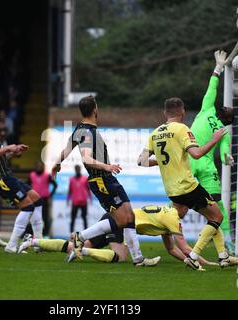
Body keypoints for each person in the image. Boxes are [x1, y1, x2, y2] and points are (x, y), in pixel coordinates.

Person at [52, 95, 160, 266]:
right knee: (121, 220)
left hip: (107, 178)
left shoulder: (80, 129)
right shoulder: (87, 132)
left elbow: (66, 150)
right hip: (101, 179)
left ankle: (138, 259)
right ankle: (81, 237)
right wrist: (106, 166)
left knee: (129, 216)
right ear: (95, 109)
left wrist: (55, 165)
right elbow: (86, 158)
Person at [137, 96, 238, 270]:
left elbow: (141, 161)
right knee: (217, 216)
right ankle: (194, 256)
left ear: (165, 113)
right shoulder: (182, 129)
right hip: (187, 186)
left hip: (171, 190)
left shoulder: (154, 134)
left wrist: (161, 162)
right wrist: (215, 139)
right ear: (183, 111)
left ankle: (223, 256)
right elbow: (196, 153)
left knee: (210, 216)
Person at [19, 206, 217, 268]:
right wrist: (205, 262)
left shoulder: (166, 216)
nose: (188, 212)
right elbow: (183, 247)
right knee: (120, 258)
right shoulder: (173, 218)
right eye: (188, 208)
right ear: (180, 207)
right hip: (121, 224)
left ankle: (33, 241)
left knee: (73, 245)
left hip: (115, 220)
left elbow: (172, 249)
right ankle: (84, 250)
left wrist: (192, 261)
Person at [189, 50, 235, 253]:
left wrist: (227, 157)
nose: (228, 107)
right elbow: (212, 88)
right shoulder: (207, 108)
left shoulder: (224, 132)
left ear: (228, 119)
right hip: (190, 158)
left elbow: (225, 151)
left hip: (206, 165)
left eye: (230, 110)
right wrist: (218, 68)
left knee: (218, 206)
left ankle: (228, 244)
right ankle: (173, 238)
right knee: (179, 206)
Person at [0, 112, 44, 254]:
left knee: (37, 200)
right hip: (1, 179)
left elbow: (0, 158)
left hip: (8, 176)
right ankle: (12, 244)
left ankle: (39, 241)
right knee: (27, 207)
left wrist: (13, 152)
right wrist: (8, 148)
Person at [29, 161, 57, 237]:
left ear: (43, 167)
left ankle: (45, 233)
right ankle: (32, 233)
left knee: (45, 217)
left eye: (41, 166)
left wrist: (50, 195)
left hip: (44, 199)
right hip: (34, 199)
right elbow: (27, 185)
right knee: (33, 216)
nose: (39, 167)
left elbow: (55, 185)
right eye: (38, 166)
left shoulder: (47, 176)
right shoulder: (32, 175)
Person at [68, 165, 92, 232]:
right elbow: (70, 190)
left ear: (80, 169)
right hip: (75, 202)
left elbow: (88, 189)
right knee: (73, 218)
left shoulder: (84, 179)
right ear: (75, 170)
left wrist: (90, 198)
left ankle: (86, 233)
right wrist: (68, 199)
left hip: (83, 202)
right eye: (76, 169)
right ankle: (71, 233)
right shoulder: (72, 179)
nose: (77, 170)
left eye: (78, 169)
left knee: (84, 218)